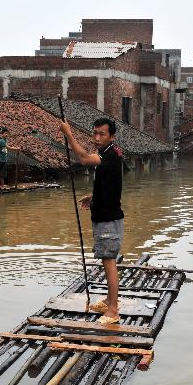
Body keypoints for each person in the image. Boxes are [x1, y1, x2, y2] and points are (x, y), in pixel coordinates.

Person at [60, 117, 124, 325]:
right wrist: (94, 198)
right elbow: (111, 184)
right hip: (104, 213)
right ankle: (108, 301)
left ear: (111, 136)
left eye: (102, 134)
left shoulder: (111, 154)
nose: (96, 138)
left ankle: (113, 311)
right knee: (107, 260)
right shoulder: (108, 153)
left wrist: (68, 134)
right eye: (94, 133)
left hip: (108, 218)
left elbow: (85, 159)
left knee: (109, 261)